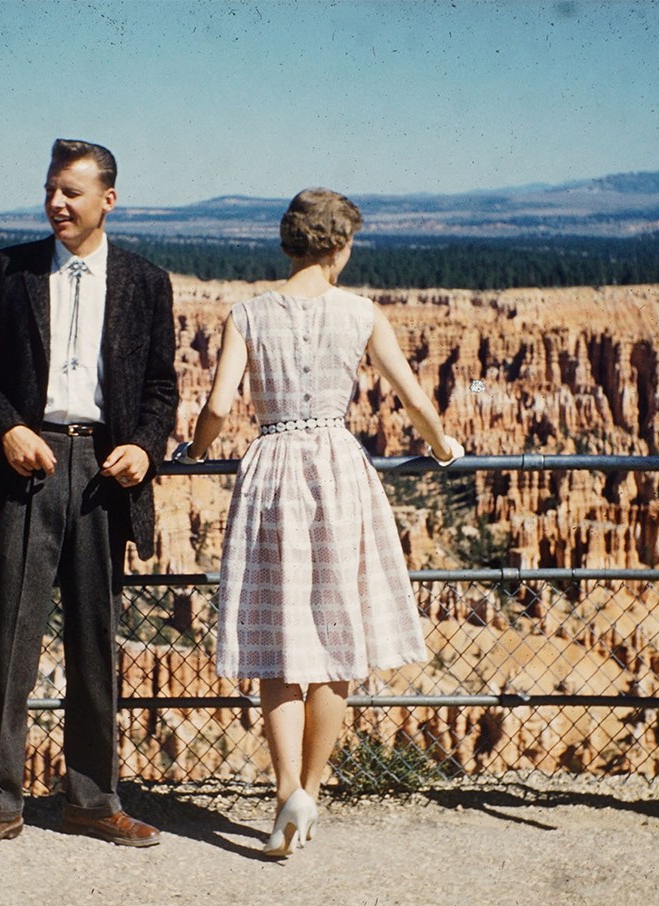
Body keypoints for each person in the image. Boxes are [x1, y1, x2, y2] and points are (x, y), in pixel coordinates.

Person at [175, 188, 464, 857]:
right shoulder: (360, 312)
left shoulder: (246, 314)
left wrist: (195, 450)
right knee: (335, 642)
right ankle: (313, 786)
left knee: (279, 647)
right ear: (338, 245)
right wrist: (443, 448)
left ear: (290, 242)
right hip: (337, 469)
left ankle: (284, 795)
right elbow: (414, 398)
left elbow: (219, 405)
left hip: (272, 468)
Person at [0, 139, 178, 856]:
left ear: (108, 199)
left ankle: (93, 800)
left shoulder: (146, 280)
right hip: (26, 464)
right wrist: (9, 429)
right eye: (50, 189)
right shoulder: (5, 270)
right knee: (8, 645)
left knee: (94, 645)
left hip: (106, 477)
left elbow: (161, 387)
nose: (56, 204)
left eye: (72, 192)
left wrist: (144, 444)